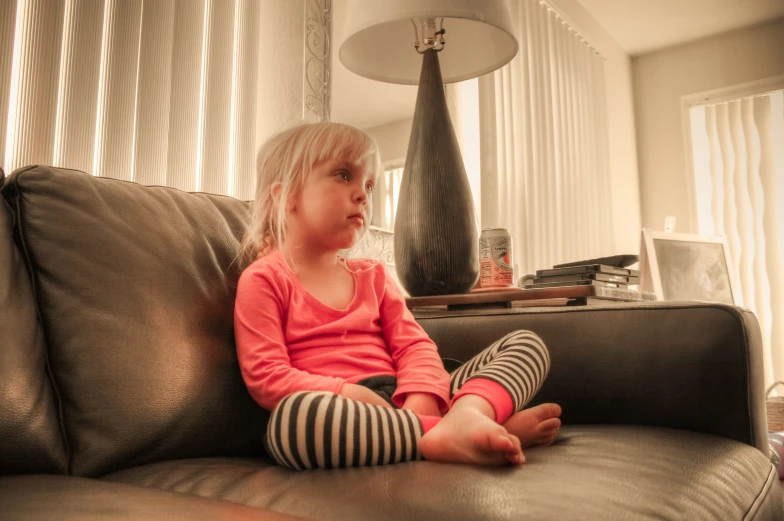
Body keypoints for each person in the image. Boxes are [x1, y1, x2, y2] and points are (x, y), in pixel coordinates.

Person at [234, 122, 562, 470]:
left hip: (409, 397)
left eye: (369, 185)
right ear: (285, 196)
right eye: (344, 175)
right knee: (295, 424)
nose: (362, 194)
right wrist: (347, 393)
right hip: (346, 412)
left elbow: (414, 347)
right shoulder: (264, 280)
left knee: (526, 345)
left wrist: (422, 394)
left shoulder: (372, 275)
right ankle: (464, 430)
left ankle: (468, 414)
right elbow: (267, 376)